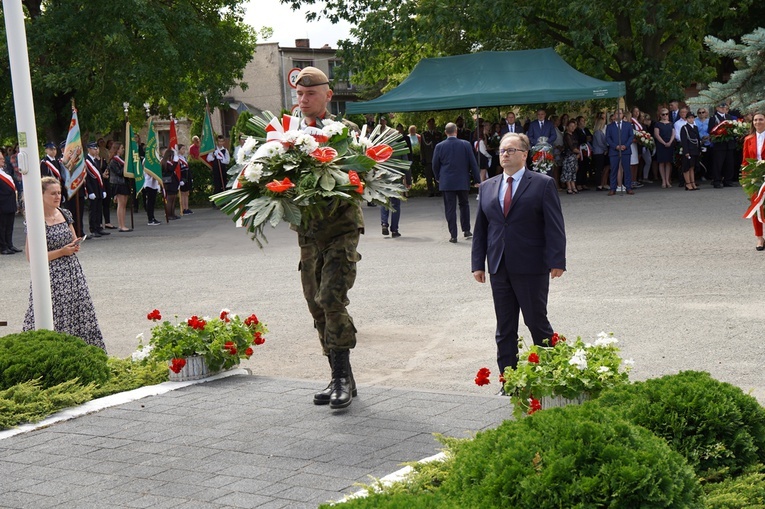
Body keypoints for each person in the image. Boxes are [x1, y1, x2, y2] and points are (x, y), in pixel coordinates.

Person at [294, 66, 363, 409]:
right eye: (300, 95)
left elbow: (363, 174)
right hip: (308, 235)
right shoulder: (287, 136)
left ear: (328, 96)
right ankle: (343, 376)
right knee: (314, 305)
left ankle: (340, 379)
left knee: (331, 299)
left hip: (340, 230)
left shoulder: (345, 133)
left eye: (310, 94)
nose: (304, 100)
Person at [471, 132, 566, 380]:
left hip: (531, 266)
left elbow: (554, 225)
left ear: (524, 154)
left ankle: (551, 375)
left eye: (511, 150)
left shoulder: (542, 184)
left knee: (537, 323)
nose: (504, 154)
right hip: (499, 267)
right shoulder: (489, 186)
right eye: (502, 150)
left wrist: (557, 260)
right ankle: (509, 379)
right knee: (505, 328)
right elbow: (481, 229)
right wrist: (477, 264)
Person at [22, 177, 106, 351]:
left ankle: (83, 353)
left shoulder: (65, 213)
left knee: (80, 313)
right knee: (50, 314)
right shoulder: (35, 219)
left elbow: (72, 239)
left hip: (72, 272)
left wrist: (75, 245)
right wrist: (61, 251)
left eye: (59, 193)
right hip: (49, 275)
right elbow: (32, 257)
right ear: (41, 195)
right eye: (53, 193)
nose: (57, 196)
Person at [432, 122, 481, 243]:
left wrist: (438, 177)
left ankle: (453, 234)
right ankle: (466, 230)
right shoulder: (465, 144)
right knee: (464, 204)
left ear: (445, 132)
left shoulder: (439, 146)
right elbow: (473, 163)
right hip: (462, 180)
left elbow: (435, 165)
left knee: (450, 207)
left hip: (447, 181)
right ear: (456, 131)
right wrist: (477, 180)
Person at [741, 112, 765, 251]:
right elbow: (745, 161)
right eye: (755, 120)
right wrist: (745, 179)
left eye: (761, 119)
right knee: (757, 208)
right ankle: (759, 237)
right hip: (754, 179)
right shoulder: (748, 139)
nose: (758, 122)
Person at [84, 142, 110, 238]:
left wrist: (102, 189)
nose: (96, 150)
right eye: (94, 148)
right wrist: (90, 191)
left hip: (98, 188)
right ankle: (93, 228)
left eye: (96, 148)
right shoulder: (86, 161)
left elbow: (100, 176)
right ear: (89, 150)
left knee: (99, 209)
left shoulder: (96, 160)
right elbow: (87, 179)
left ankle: (99, 227)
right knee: (93, 210)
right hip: (92, 189)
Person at [606, 109, 635, 195]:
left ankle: (628, 187)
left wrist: (625, 145)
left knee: (627, 170)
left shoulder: (628, 125)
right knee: (614, 170)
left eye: (620, 113)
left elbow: (631, 136)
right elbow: (608, 138)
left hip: (625, 150)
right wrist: (616, 146)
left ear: (623, 115)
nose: (618, 115)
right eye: (616, 113)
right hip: (614, 151)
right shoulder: (610, 126)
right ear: (614, 115)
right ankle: (613, 188)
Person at [709, 102, 737, 188]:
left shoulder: (729, 117)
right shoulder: (714, 118)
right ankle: (717, 181)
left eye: (725, 107)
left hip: (729, 144)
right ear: (717, 108)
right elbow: (711, 130)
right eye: (721, 107)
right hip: (719, 144)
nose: (724, 108)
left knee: (729, 163)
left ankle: (727, 180)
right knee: (718, 164)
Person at [107, 142, 131, 232]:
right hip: (118, 183)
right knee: (121, 205)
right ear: (117, 149)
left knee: (124, 204)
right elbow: (119, 172)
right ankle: (121, 225)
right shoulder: (113, 160)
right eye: (121, 148)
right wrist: (126, 166)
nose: (123, 149)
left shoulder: (121, 159)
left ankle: (123, 224)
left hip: (124, 183)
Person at [0, 152, 20, 255]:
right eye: (0, 159)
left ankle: (9, 244)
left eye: (3, 158)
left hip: (10, 202)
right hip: (2, 204)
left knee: (9, 226)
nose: (3, 160)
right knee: (2, 227)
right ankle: (3, 247)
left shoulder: (4, 171)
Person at [421, 118, 443, 197]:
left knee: (437, 175)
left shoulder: (438, 134)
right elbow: (422, 148)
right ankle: (430, 191)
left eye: (432, 124)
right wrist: (422, 158)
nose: (431, 125)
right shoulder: (424, 135)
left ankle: (438, 190)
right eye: (430, 124)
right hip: (428, 159)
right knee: (429, 176)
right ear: (427, 124)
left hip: (437, 158)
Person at [654, 108, 676, 188]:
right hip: (661, 144)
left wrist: (670, 142)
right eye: (663, 114)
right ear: (660, 115)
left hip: (669, 144)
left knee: (668, 162)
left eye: (666, 114)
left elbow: (673, 134)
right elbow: (657, 135)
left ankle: (667, 180)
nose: (665, 116)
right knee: (661, 162)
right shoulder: (657, 124)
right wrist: (663, 142)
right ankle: (663, 181)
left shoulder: (671, 124)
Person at [680, 112, 701, 191]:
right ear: (686, 119)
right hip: (689, 150)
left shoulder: (695, 127)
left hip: (695, 149)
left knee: (692, 167)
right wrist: (686, 152)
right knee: (687, 167)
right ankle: (688, 183)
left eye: (692, 118)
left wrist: (699, 149)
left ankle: (693, 182)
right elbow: (684, 141)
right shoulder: (684, 128)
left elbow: (697, 139)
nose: (691, 119)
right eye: (689, 118)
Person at [161, 147, 181, 221]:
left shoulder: (167, 162)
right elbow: (171, 169)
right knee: (170, 199)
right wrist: (176, 161)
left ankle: (173, 214)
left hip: (172, 182)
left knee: (173, 199)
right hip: (169, 183)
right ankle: (169, 214)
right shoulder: (165, 162)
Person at [561, 120, 580, 194]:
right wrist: (579, 152)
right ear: (567, 127)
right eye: (571, 126)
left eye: (574, 126)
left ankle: (573, 186)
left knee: (574, 171)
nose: (572, 128)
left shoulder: (574, 135)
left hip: (574, 155)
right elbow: (571, 147)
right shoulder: (567, 135)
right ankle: (569, 187)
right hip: (569, 155)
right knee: (568, 171)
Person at [592, 113, 609, 191]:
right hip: (599, 152)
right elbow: (600, 143)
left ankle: (601, 184)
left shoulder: (598, 132)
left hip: (599, 152)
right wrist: (606, 148)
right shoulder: (598, 133)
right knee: (599, 169)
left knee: (600, 168)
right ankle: (599, 184)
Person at [177, 144, 193, 215]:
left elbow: (187, 169)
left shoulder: (184, 158)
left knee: (186, 193)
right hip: (182, 178)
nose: (184, 150)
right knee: (183, 193)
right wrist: (180, 180)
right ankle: (183, 208)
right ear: (178, 150)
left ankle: (187, 208)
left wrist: (190, 177)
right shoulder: (177, 159)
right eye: (182, 149)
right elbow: (178, 170)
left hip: (187, 177)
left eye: (184, 149)